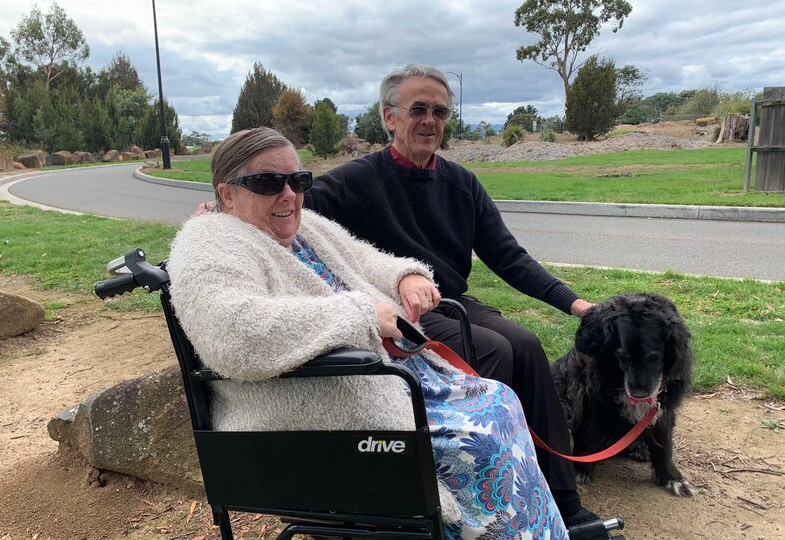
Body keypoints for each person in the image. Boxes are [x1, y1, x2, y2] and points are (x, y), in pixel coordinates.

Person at [168, 127, 569, 540]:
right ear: (228, 195)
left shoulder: (305, 229)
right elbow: (234, 334)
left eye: (298, 180)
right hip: (328, 406)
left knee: (502, 401)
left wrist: (406, 276)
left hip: (386, 379)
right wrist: (360, 314)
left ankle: (543, 530)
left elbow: (363, 256)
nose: (288, 194)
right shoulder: (209, 244)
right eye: (268, 182)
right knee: (483, 445)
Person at [302, 64, 596, 526]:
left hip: (452, 301)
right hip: (397, 311)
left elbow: (508, 256)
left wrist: (576, 304)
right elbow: (290, 208)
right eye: (418, 109)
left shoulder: (462, 183)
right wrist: (227, 207)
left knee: (527, 345)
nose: (430, 121)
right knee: (493, 351)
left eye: (439, 111)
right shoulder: (355, 181)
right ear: (389, 118)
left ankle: (562, 496)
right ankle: (485, 498)